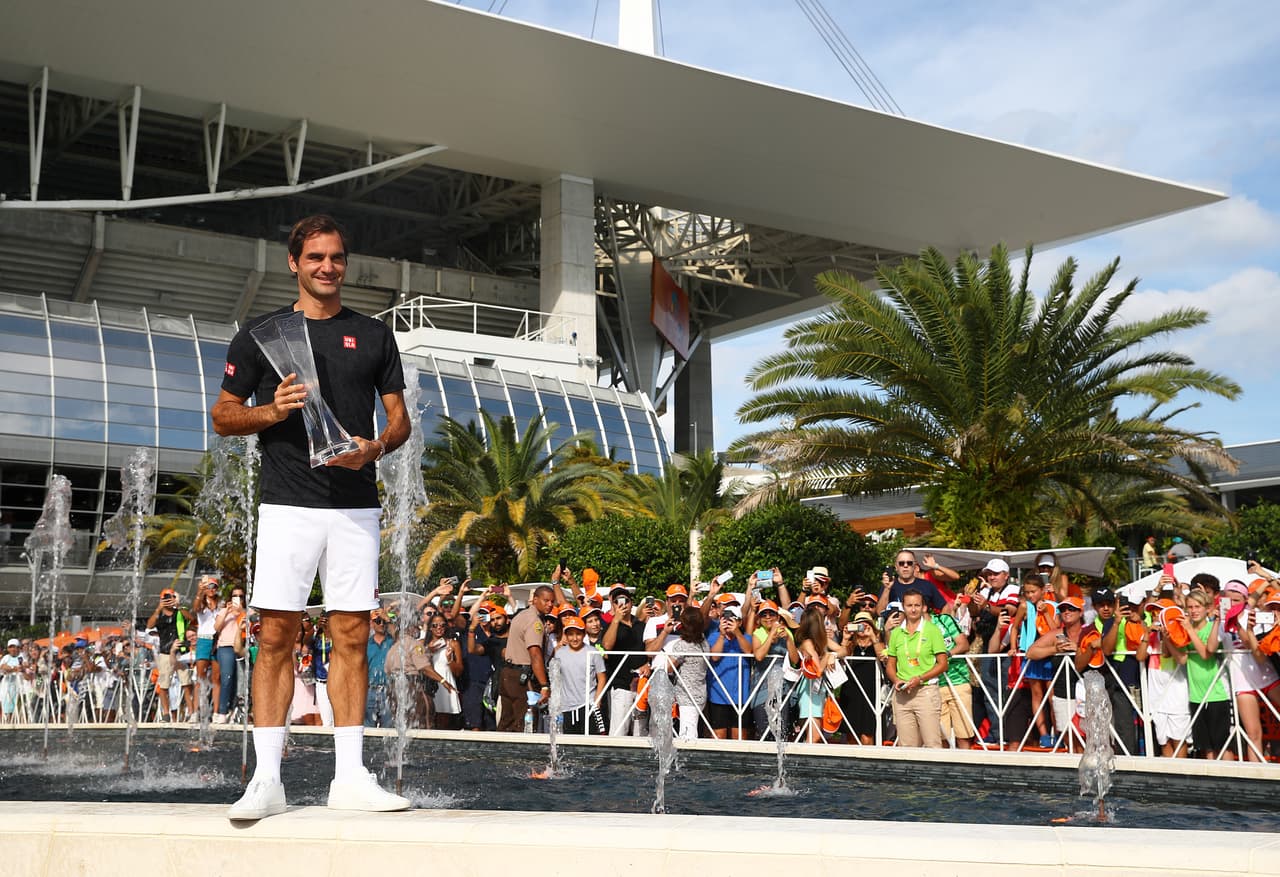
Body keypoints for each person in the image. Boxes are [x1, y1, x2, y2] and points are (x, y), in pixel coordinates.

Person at [215, 214, 411, 819]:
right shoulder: (263, 334)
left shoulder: (375, 335)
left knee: (351, 636)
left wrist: (375, 447)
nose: (328, 267)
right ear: (295, 263)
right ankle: (267, 781)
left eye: (338, 257)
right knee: (275, 636)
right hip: (287, 503)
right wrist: (271, 411)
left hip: (355, 507)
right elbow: (223, 415)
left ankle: (349, 777)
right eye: (317, 257)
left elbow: (399, 419)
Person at [884, 590, 948, 748]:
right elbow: (891, 665)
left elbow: (943, 664)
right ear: (903, 608)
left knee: (932, 744)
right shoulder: (897, 633)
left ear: (924, 607)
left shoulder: (932, 630)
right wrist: (896, 680)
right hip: (902, 694)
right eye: (909, 605)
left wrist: (920, 679)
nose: (913, 609)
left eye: (917, 605)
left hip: (925, 691)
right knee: (906, 746)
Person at [1171, 591, 1231, 759]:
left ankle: (1229, 781)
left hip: (1217, 693)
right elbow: (1182, 659)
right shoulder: (1186, 631)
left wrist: (1190, 629)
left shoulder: (1212, 627)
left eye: (1197, 606)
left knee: (1222, 745)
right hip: (1196, 695)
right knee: (1206, 747)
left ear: (1206, 608)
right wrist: (1167, 638)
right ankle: (1212, 782)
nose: (1193, 610)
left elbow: (1207, 653)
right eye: (1190, 607)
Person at [498, 585, 554, 732]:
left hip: (507, 674)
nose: (550, 604)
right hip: (522, 678)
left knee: (506, 723)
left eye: (552, 601)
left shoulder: (521, 615)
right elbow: (535, 654)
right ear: (535, 599)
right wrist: (544, 685)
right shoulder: (534, 622)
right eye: (546, 600)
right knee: (526, 725)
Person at [601, 584, 648, 735]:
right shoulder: (609, 626)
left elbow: (650, 648)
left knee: (640, 732)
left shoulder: (641, 625)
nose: (623, 604)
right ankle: (615, 758)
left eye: (626, 600)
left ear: (631, 603)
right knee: (618, 731)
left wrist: (648, 664)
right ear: (613, 605)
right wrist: (616, 620)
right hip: (620, 683)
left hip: (641, 682)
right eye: (618, 601)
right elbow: (607, 646)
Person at [551, 615, 606, 735]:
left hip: (588, 704)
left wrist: (597, 700)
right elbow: (556, 680)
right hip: (567, 706)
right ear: (565, 635)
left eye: (578, 634)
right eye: (570, 634)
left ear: (584, 634)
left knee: (593, 742)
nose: (575, 638)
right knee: (569, 743)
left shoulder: (593, 652)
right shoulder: (559, 654)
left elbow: (601, 677)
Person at [661, 605, 709, 740]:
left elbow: (668, 668)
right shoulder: (704, 641)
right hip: (700, 691)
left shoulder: (682, 646)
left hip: (688, 695)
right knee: (692, 729)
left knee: (687, 735)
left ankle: (688, 759)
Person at [146, 587, 193, 722]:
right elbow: (149, 625)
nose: (168, 601)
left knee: (186, 683)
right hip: (165, 652)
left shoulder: (180, 611)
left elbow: (191, 618)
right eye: (165, 599)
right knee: (164, 685)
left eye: (170, 598)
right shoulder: (159, 614)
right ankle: (166, 713)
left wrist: (177, 605)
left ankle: (191, 712)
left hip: (181, 652)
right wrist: (159, 608)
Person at [213, 584, 247, 723]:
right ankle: (222, 711)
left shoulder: (247, 612)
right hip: (226, 647)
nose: (237, 598)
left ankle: (235, 710)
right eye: (235, 596)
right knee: (227, 678)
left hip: (242, 647)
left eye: (240, 596)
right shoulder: (224, 611)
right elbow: (216, 627)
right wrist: (227, 612)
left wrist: (240, 613)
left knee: (240, 681)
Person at [424, 615, 463, 729]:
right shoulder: (423, 644)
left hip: (446, 684)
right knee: (428, 719)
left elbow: (459, 671)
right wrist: (428, 652)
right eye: (435, 625)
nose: (439, 628)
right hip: (429, 684)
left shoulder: (453, 644)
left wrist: (450, 659)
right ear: (430, 628)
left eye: (442, 625)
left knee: (444, 721)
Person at [364, 611, 394, 728]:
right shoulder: (366, 644)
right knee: (368, 727)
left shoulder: (392, 641)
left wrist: (388, 619)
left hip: (388, 689)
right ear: (372, 624)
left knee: (388, 727)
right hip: (370, 690)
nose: (381, 624)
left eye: (383, 621)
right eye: (378, 621)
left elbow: (399, 635)